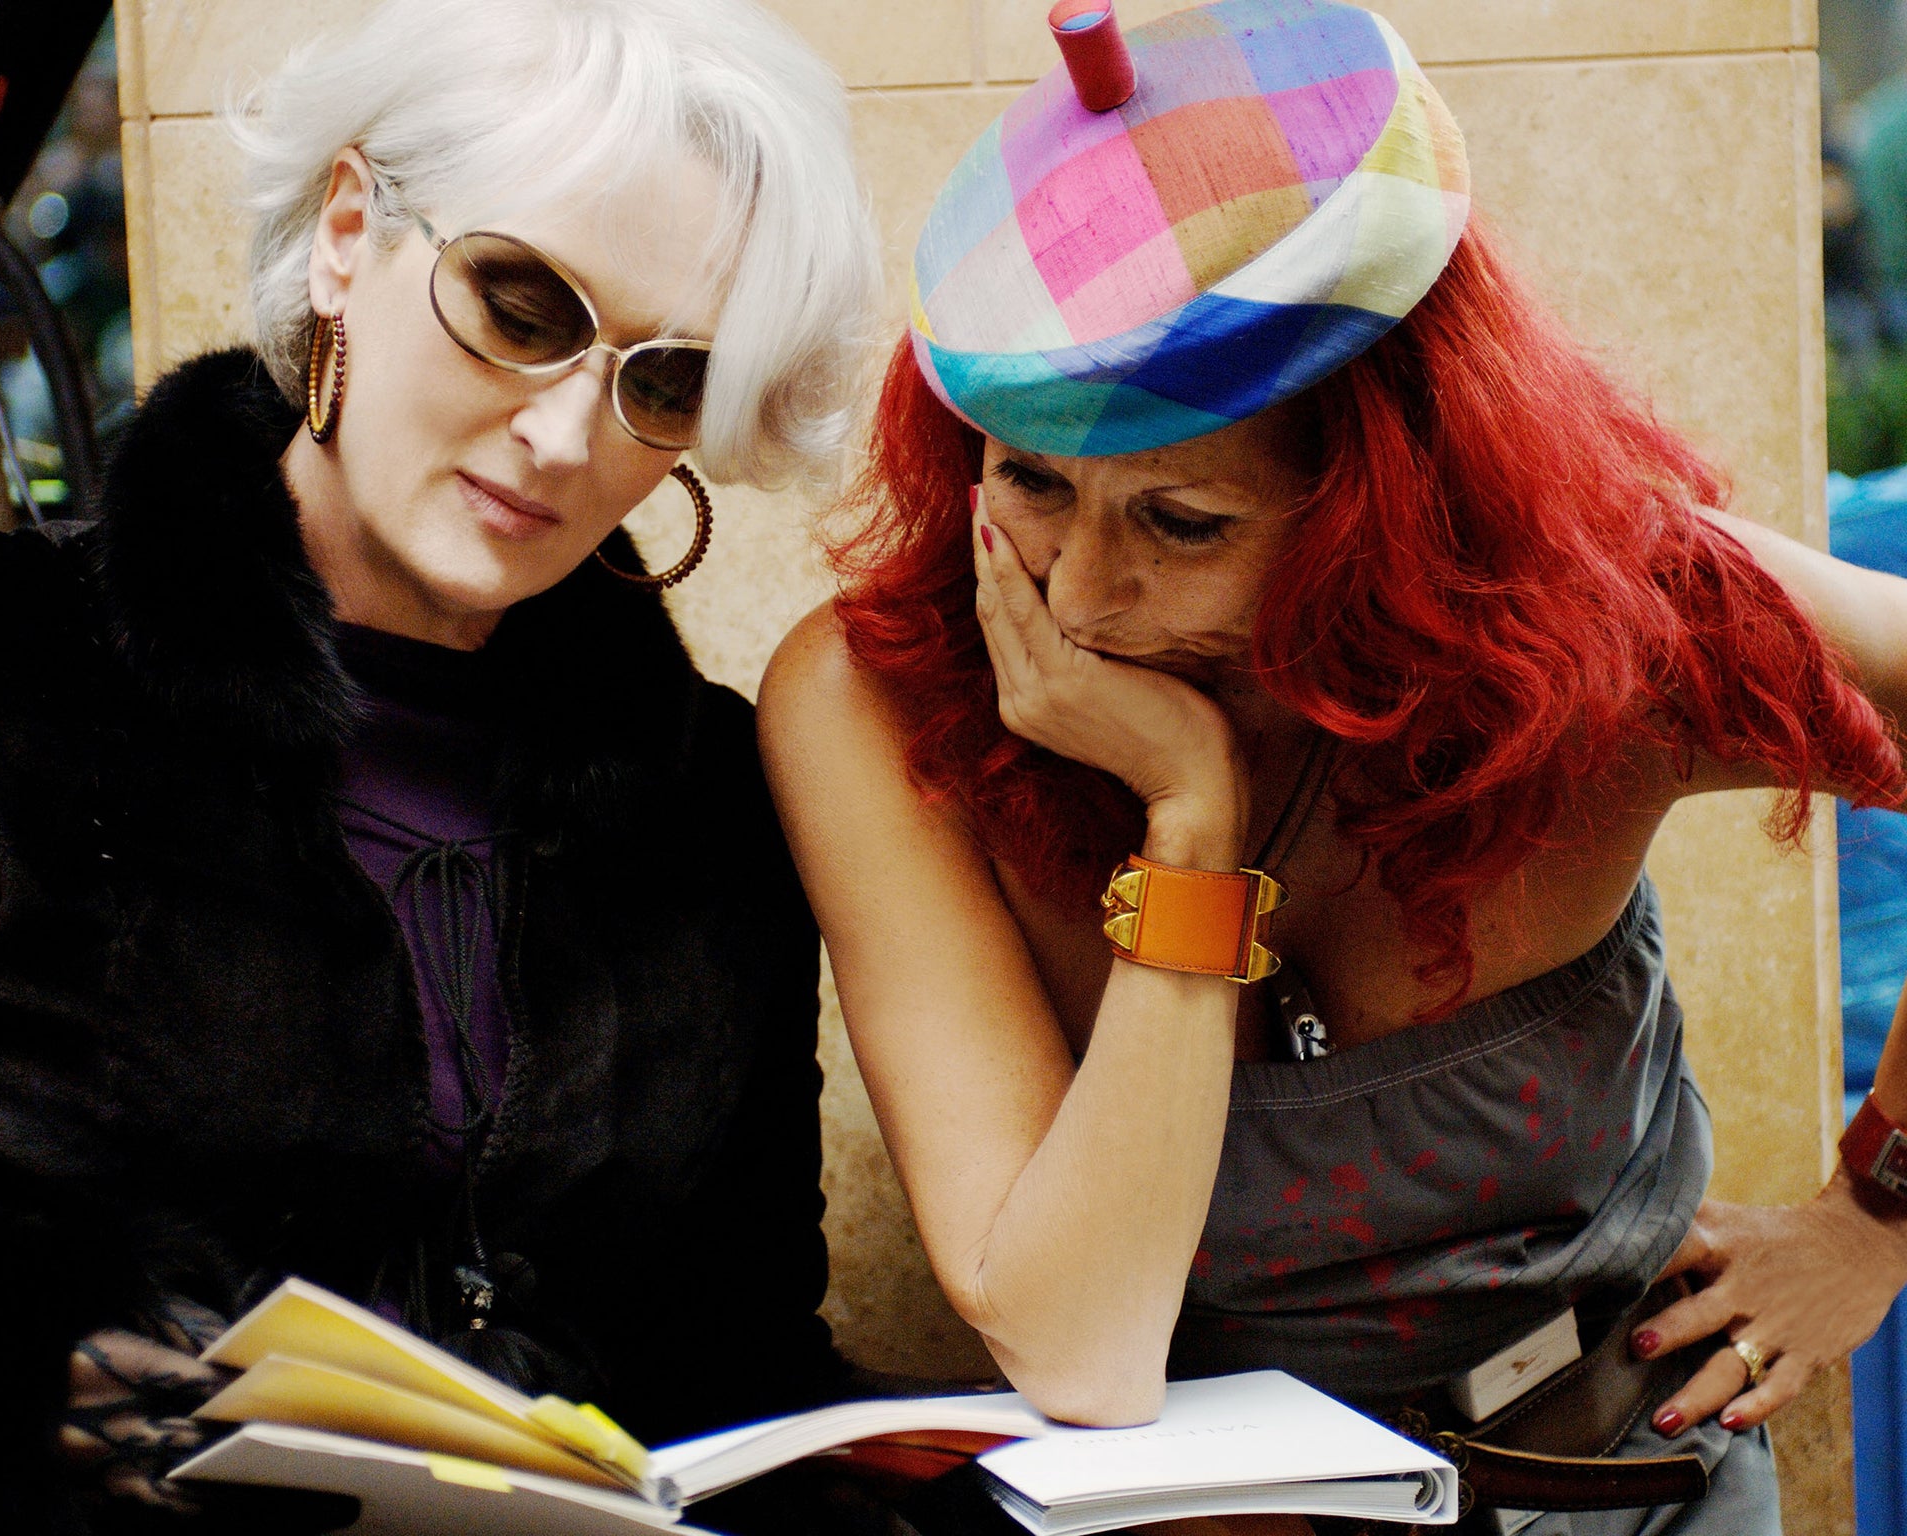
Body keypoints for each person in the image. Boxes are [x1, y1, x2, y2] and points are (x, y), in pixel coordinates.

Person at [758, 2, 1907, 1531]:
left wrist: (1875, 1215)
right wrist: (1191, 828)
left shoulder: (1605, 619)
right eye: (1031, 482)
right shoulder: (874, 700)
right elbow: (1083, 1346)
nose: (1080, 601)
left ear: (1392, 506)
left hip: (1633, 1480)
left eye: (1182, 523)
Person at [0, 0, 881, 1531]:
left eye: (663, 380)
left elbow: (740, 1353)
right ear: (348, 233)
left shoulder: (711, 799)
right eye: (520, 304)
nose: (562, 434)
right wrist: (5, 1382)